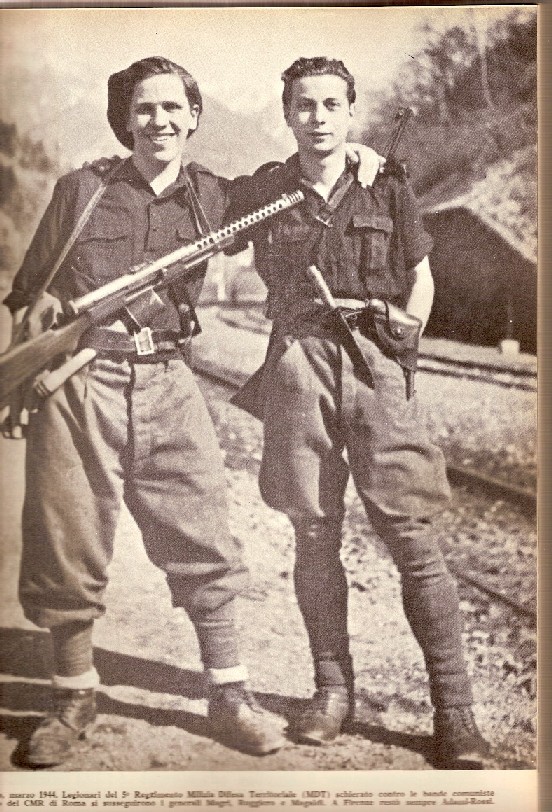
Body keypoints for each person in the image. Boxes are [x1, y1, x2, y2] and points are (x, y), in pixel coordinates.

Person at [2, 56, 383, 768]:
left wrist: (354, 152)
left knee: (204, 535)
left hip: (170, 380)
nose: (159, 121)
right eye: (144, 109)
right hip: (83, 383)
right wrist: (40, 325)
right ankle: (72, 697)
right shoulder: (82, 190)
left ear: (194, 117)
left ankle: (229, 696)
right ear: (125, 119)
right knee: (67, 539)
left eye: (173, 108)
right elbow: (32, 291)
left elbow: (297, 181)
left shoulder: (217, 196)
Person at [226, 56, 490, 769]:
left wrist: (406, 340)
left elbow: (421, 276)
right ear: (287, 113)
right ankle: (332, 692)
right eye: (304, 105)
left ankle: (456, 714)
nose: (317, 117)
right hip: (297, 364)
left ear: (350, 111)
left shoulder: (388, 182)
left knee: (412, 535)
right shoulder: (267, 189)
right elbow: (194, 207)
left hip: (374, 359)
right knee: (314, 532)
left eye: (331, 105)